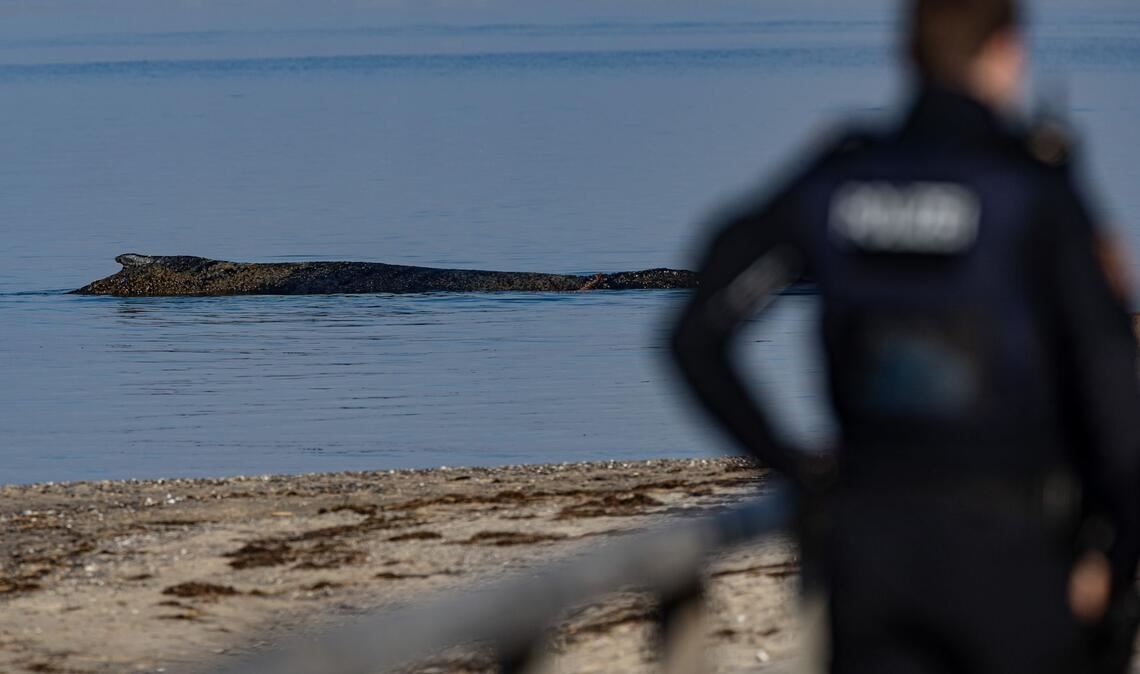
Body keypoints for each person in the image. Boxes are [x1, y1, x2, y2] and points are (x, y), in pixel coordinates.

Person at [670, 0, 1140, 672]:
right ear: (1007, 50)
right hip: (1011, 551)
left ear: (907, 54)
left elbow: (695, 336)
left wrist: (796, 469)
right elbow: (1112, 396)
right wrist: (1115, 556)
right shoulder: (1029, 194)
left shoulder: (839, 180)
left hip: (872, 551)